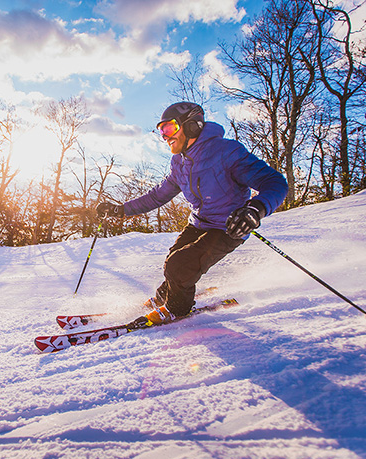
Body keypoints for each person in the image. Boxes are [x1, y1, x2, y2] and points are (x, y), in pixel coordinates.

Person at [97, 101, 288, 325]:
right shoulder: (179, 162)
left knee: (180, 265)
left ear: (192, 126)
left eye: (169, 128)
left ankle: (178, 309)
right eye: (161, 131)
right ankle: (164, 296)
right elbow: (158, 195)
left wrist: (255, 209)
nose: (165, 136)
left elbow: (275, 183)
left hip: (228, 227)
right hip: (198, 223)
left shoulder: (226, 152)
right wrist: (121, 210)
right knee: (173, 261)